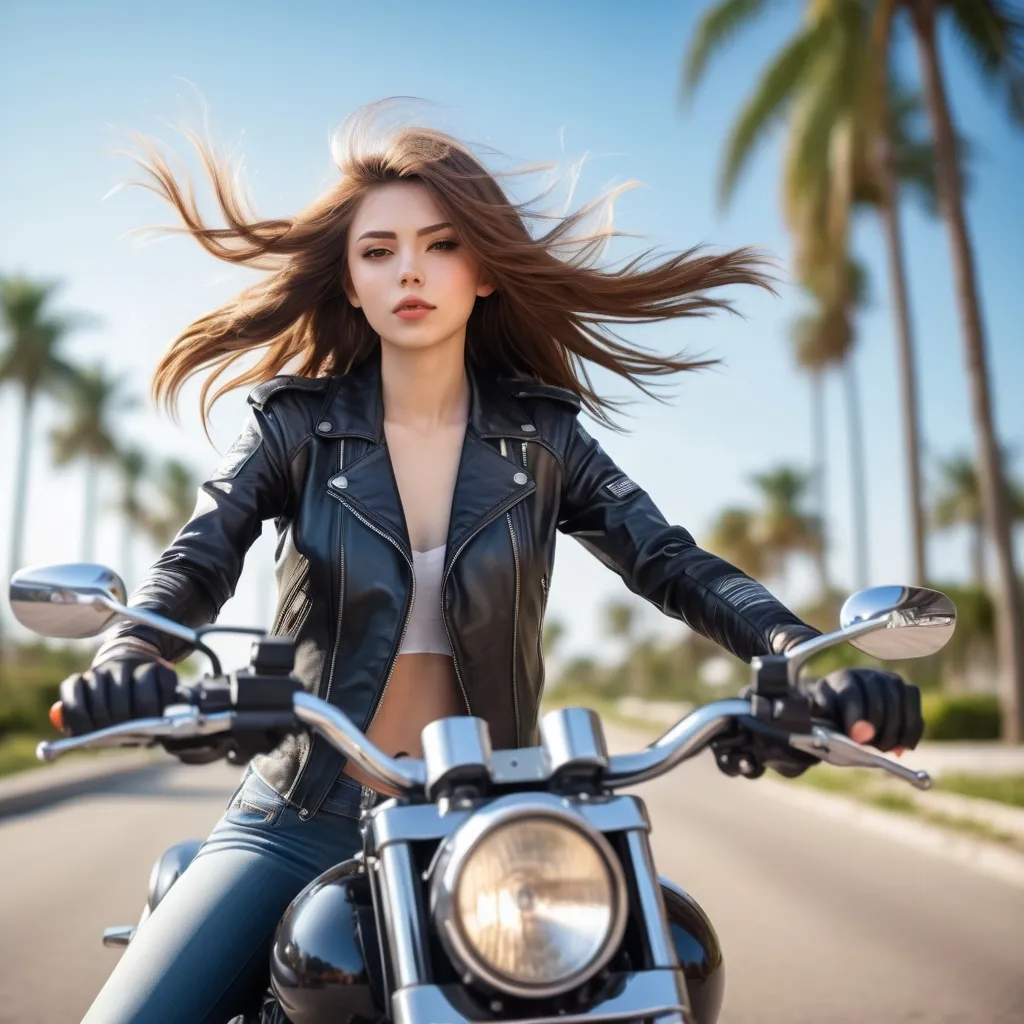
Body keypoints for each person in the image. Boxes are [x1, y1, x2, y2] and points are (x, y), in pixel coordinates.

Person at [55, 102, 923, 1023]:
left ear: (483, 272)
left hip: (497, 826)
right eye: (379, 251)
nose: (411, 272)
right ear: (350, 283)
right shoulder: (294, 427)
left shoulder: (544, 441)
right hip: (298, 819)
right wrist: (128, 661)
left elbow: (672, 563)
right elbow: (197, 559)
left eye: (440, 245)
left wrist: (800, 655)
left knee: (665, 968)